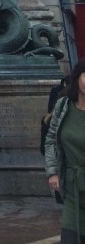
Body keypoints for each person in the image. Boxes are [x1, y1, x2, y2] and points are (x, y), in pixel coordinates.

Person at [45, 58, 85, 244]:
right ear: (77, 77)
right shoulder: (63, 106)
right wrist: (52, 172)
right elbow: (51, 140)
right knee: (69, 239)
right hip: (72, 188)